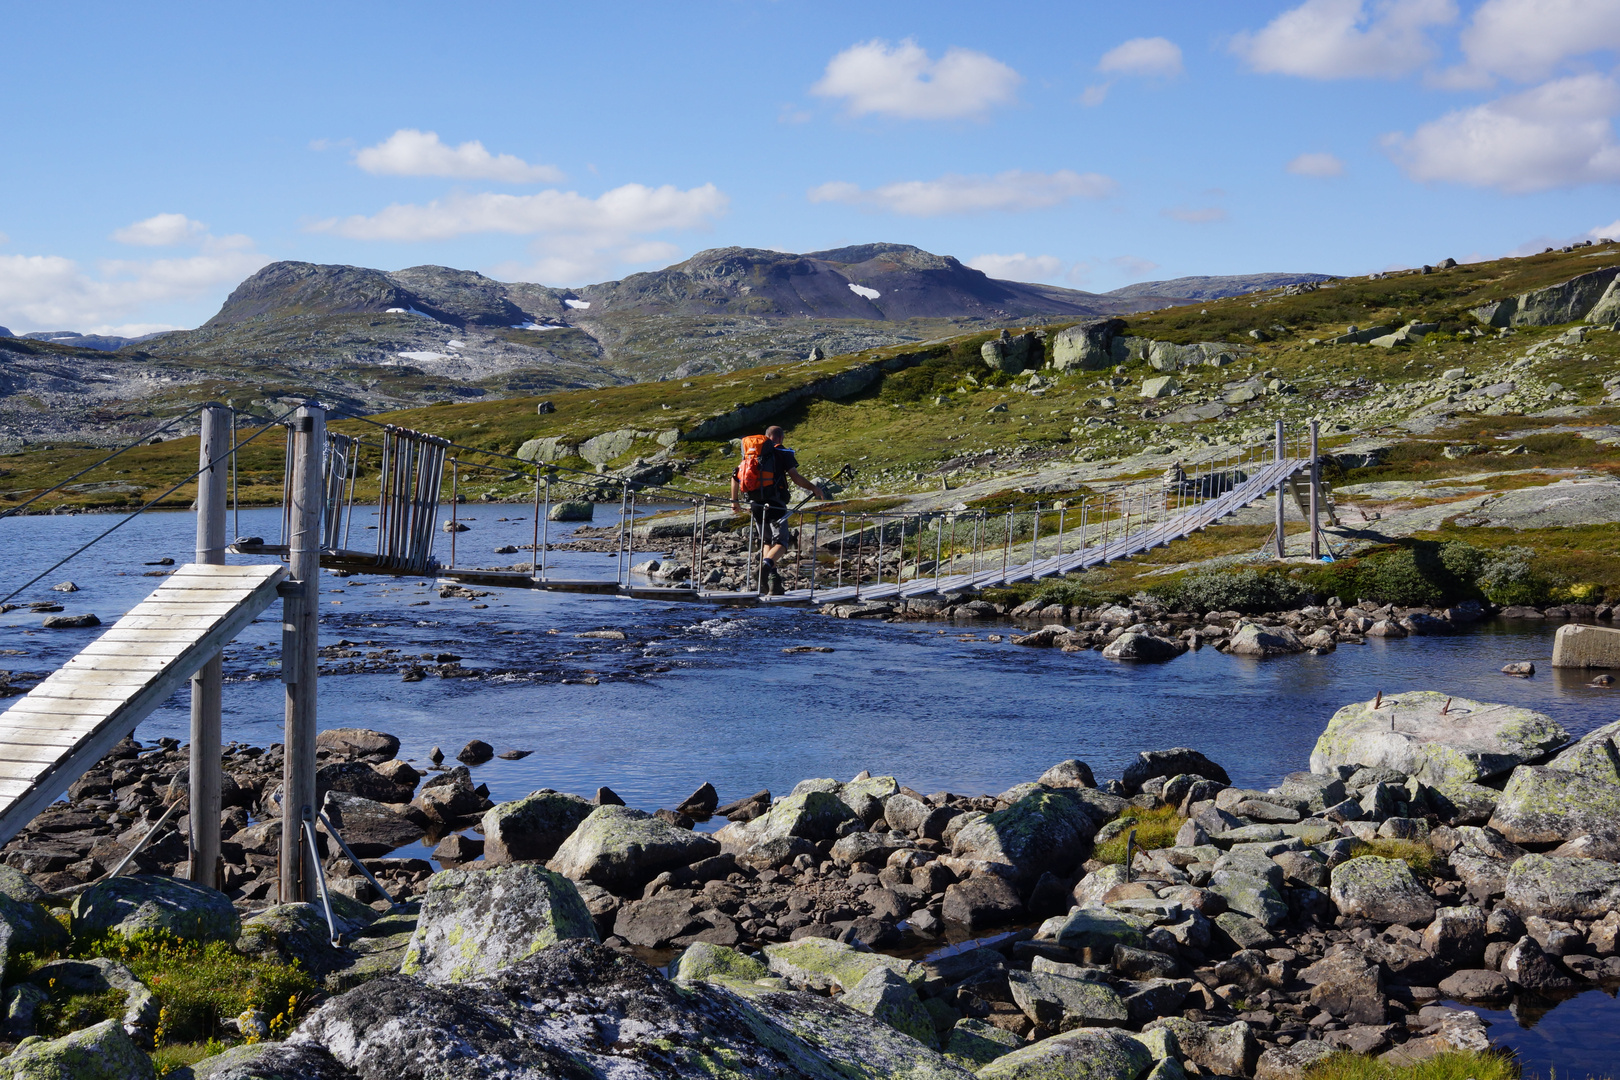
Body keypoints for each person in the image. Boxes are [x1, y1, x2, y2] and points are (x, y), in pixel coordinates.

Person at [731, 425, 825, 595]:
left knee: (767, 542)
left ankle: (772, 582)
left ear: (766, 437)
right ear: (781, 438)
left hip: (755, 503)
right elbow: (795, 477)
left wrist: (734, 502)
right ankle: (764, 568)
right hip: (775, 502)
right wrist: (814, 489)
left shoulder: (751, 454)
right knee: (782, 543)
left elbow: (735, 476)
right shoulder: (783, 453)